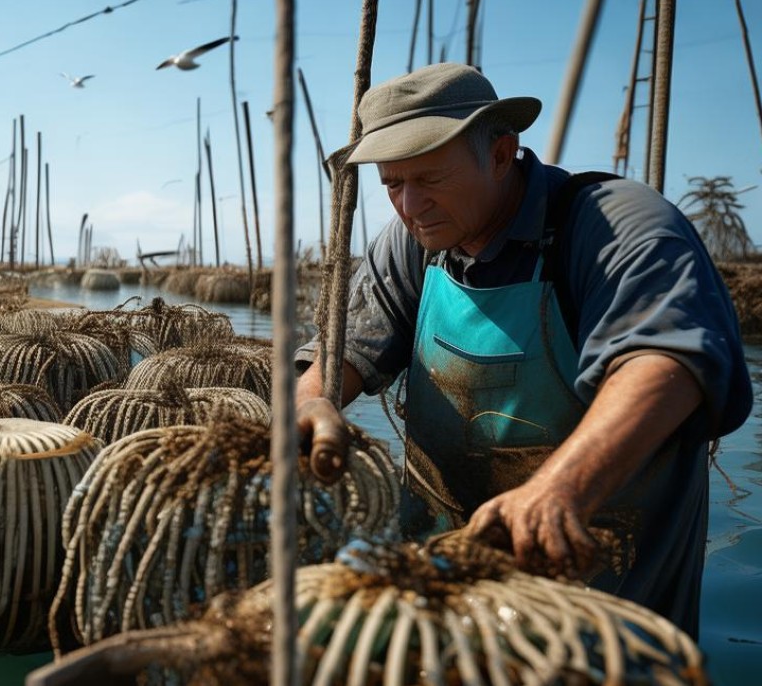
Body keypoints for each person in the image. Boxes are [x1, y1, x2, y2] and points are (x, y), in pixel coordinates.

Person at [294, 62, 752, 637]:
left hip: (606, 615)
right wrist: (312, 401)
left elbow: (669, 364)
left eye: (430, 178)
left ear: (502, 153)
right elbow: (337, 355)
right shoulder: (412, 245)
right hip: (444, 604)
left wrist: (559, 489)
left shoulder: (616, 226)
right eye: (392, 184)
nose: (409, 205)